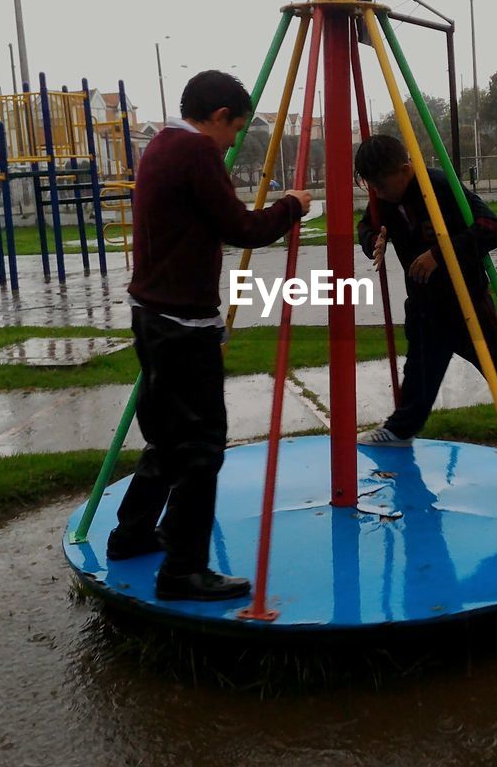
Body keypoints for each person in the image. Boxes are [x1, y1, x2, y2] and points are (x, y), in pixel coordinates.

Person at [107, 70, 313, 601]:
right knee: (200, 447)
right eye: (234, 131)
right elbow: (243, 229)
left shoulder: (160, 144)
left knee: (168, 438)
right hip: (183, 324)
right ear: (218, 117)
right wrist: (293, 205)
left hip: (151, 314)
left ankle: (130, 536)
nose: (231, 143)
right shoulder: (197, 152)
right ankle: (183, 570)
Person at [353, 134, 497, 496]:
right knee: (418, 374)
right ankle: (400, 430)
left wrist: (439, 253)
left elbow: (492, 228)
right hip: (423, 306)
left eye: (381, 184)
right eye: (370, 186)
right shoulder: (383, 198)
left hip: (466, 305)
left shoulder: (440, 186)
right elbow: (367, 225)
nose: (378, 193)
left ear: (405, 170)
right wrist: (374, 241)